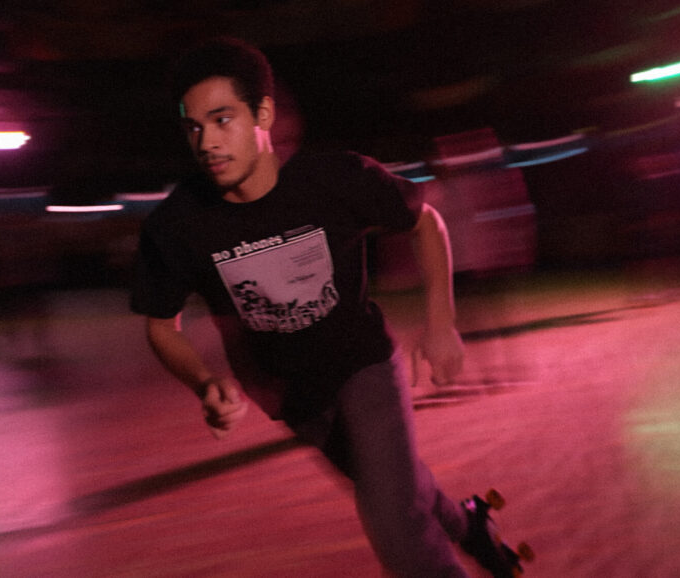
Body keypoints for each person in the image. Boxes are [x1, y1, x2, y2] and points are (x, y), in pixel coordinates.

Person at [131, 37, 518, 577]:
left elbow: (425, 222)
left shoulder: (333, 181)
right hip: (291, 397)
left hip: (363, 368)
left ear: (263, 114)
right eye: (193, 127)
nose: (207, 142)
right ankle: (471, 523)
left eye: (223, 120)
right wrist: (203, 382)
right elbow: (160, 326)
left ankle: (466, 531)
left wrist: (441, 323)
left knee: (394, 528)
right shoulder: (179, 225)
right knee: (395, 487)